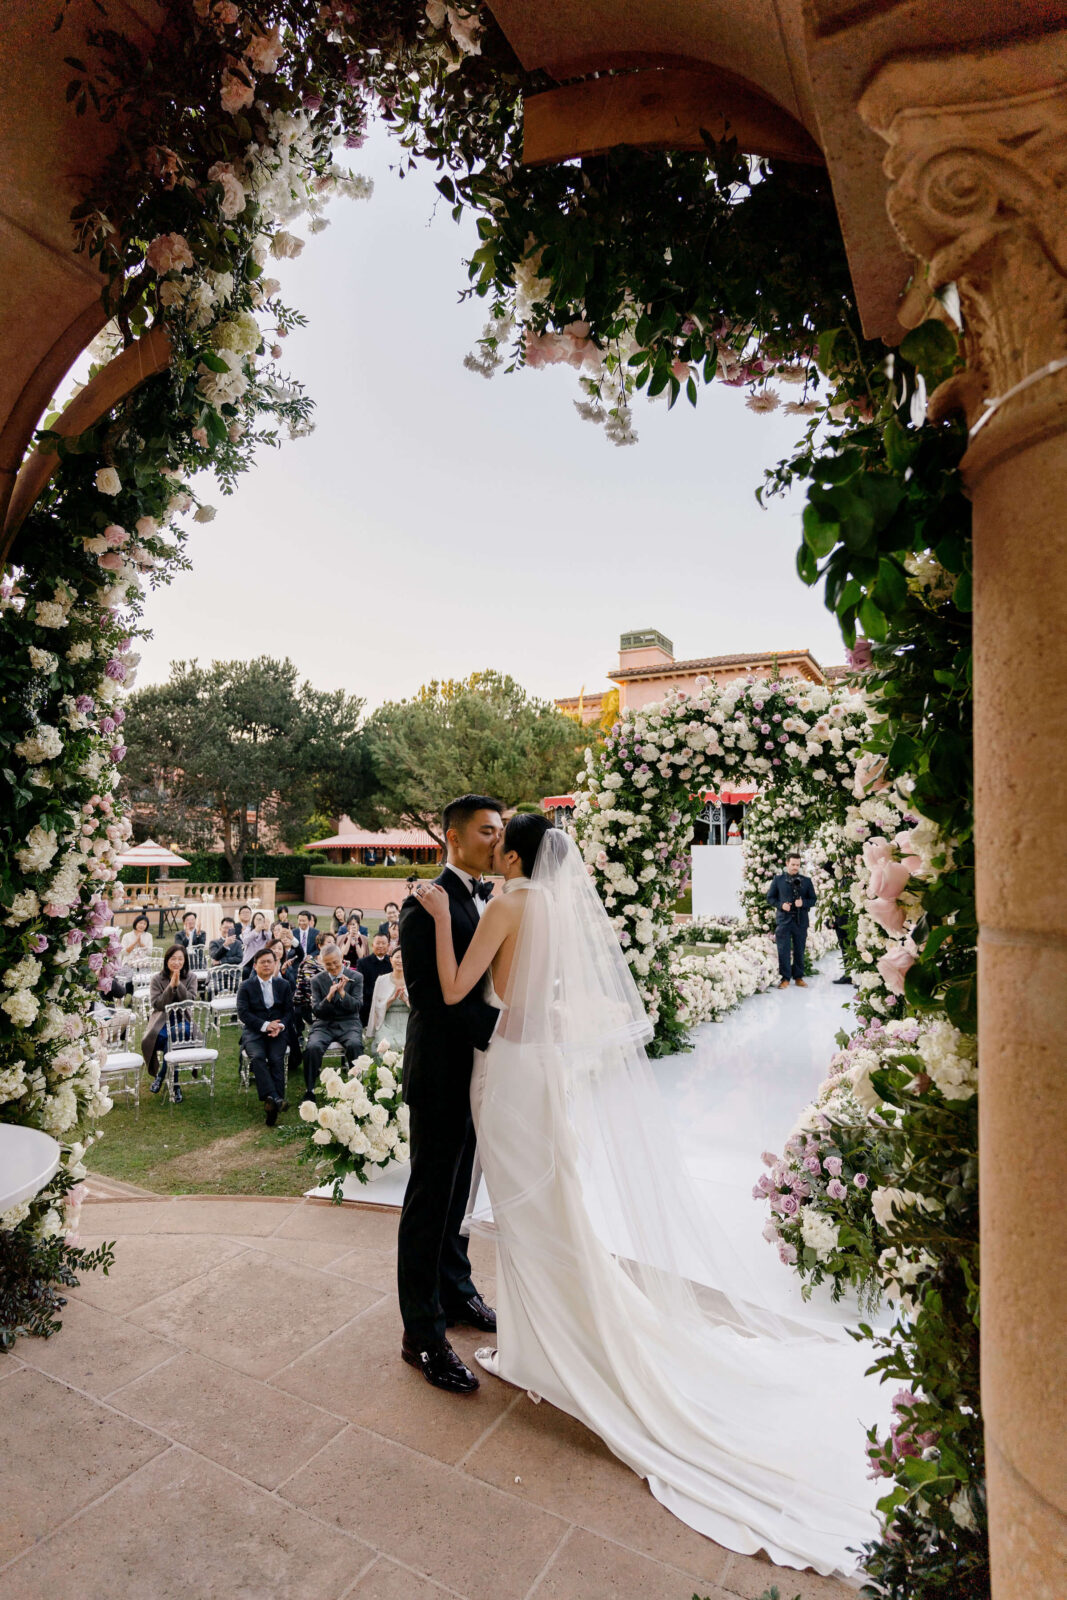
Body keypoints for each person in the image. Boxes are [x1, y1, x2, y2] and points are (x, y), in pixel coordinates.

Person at [412, 814, 888, 1578]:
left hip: (506, 1070)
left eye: (501, 837)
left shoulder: (507, 902)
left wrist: (440, 921)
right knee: (549, 1205)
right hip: (544, 1072)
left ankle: (549, 1351)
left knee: (530, 1213)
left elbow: (458, 986)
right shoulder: (556, 907)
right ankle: (547, 1342)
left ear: (511, 851)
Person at [396, 792, 504, 1392]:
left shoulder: (479, 900)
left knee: (460, 1196)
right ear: (454, 839)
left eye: (502, 829)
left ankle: (456, 1292)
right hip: (440, 1075)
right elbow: (435, 1006)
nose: (497, 839)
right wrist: (506, 1034)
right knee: (429, 1204)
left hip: (475, 1075)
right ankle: (422, 1335)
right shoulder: (424, 908)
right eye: (487, 830)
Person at [236, 947, 293, 1126]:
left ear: (276, 963)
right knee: (258, 1057)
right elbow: (243, 1013)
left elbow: (289, 1011)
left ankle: (272, 1107)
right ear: (255, 966)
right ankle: (276, 1099)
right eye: (263, 962)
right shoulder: (246, 986)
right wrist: (265, 1025)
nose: (267, 965)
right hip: (254, 1032)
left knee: (276, 1059)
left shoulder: (283, 985)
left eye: (270, 961)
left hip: (278, 1032)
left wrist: (280, 1026)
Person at [304, 946, 364, 1098]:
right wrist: (329, 997)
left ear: (342, 959)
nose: (332, 967)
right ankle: (310, 1090)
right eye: (328, 964)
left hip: (349, 1023)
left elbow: (357, 1006)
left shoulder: (356, 977)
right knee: (312, 1047)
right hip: (324, 1024)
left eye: (335, 963)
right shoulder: (317, 980)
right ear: (322, 963)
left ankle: (357, 1088)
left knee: (354, 1045)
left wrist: (343, 994)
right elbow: (316, 1011)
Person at [141, 943, 194, 1102]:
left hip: (183, 1021)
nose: (176, 962)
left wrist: (179, 985)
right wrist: (170, 986)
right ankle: (175, 1086)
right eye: (173, 959)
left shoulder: (191, 977)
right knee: (172, 1041)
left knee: (175, 1036)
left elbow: (189, 1002)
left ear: (185, 961)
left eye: (180, 959)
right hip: (162, 1022)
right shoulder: (157, 979)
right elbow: (157, 1005)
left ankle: (161, 1076)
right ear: (166, 960)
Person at [766, 852, 817, 988]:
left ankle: (798, 977)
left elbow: (813, 900)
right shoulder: (778, 880)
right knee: (783, 949)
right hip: (783, 920)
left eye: (798, 865)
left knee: (800, 950)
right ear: (787, 863)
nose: (795, 867)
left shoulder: (806, 881)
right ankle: (785, 978)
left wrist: (804, 903)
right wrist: (781, 905)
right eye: (793, 864)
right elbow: (770, 898)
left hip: (801, 921)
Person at [367, 947, 409, 1051]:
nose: (400, 961)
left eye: (403, 958)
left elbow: (419, 1008)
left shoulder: (412, 981)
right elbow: (376, 1008)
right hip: (387, 1021)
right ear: (391, 960)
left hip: (408, 1021)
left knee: (407, 1043)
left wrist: (406, 1000)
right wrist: (391, 999)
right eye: (397, 957)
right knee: (386, 1043)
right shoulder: (381, 980)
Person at [356, 934, 394, 1027]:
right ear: (372, 945)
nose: (380, 946)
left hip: (388, 999)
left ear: (388, 946)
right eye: (378, 943)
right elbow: (361, 986)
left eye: (383, 943)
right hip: (369, 1000)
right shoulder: (363, 963)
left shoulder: (392, 962)